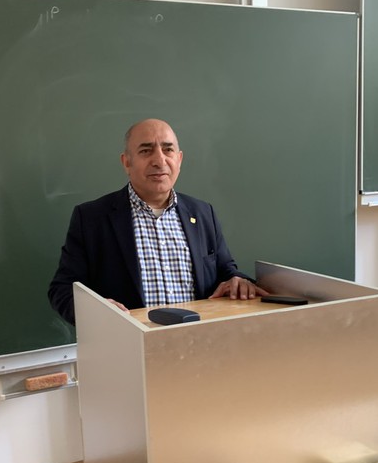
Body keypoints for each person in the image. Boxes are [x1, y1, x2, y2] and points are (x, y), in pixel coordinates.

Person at [48, 118, 266, 325]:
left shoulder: (202, 213)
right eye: (146, 151)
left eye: (168, 150)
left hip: (200, 342)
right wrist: (92, 311)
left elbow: (226, 272)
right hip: (129, 344)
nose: (159, 160)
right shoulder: (92, 218)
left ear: (179, 159)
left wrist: (238, 280)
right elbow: (62, 289)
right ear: (127, 162)